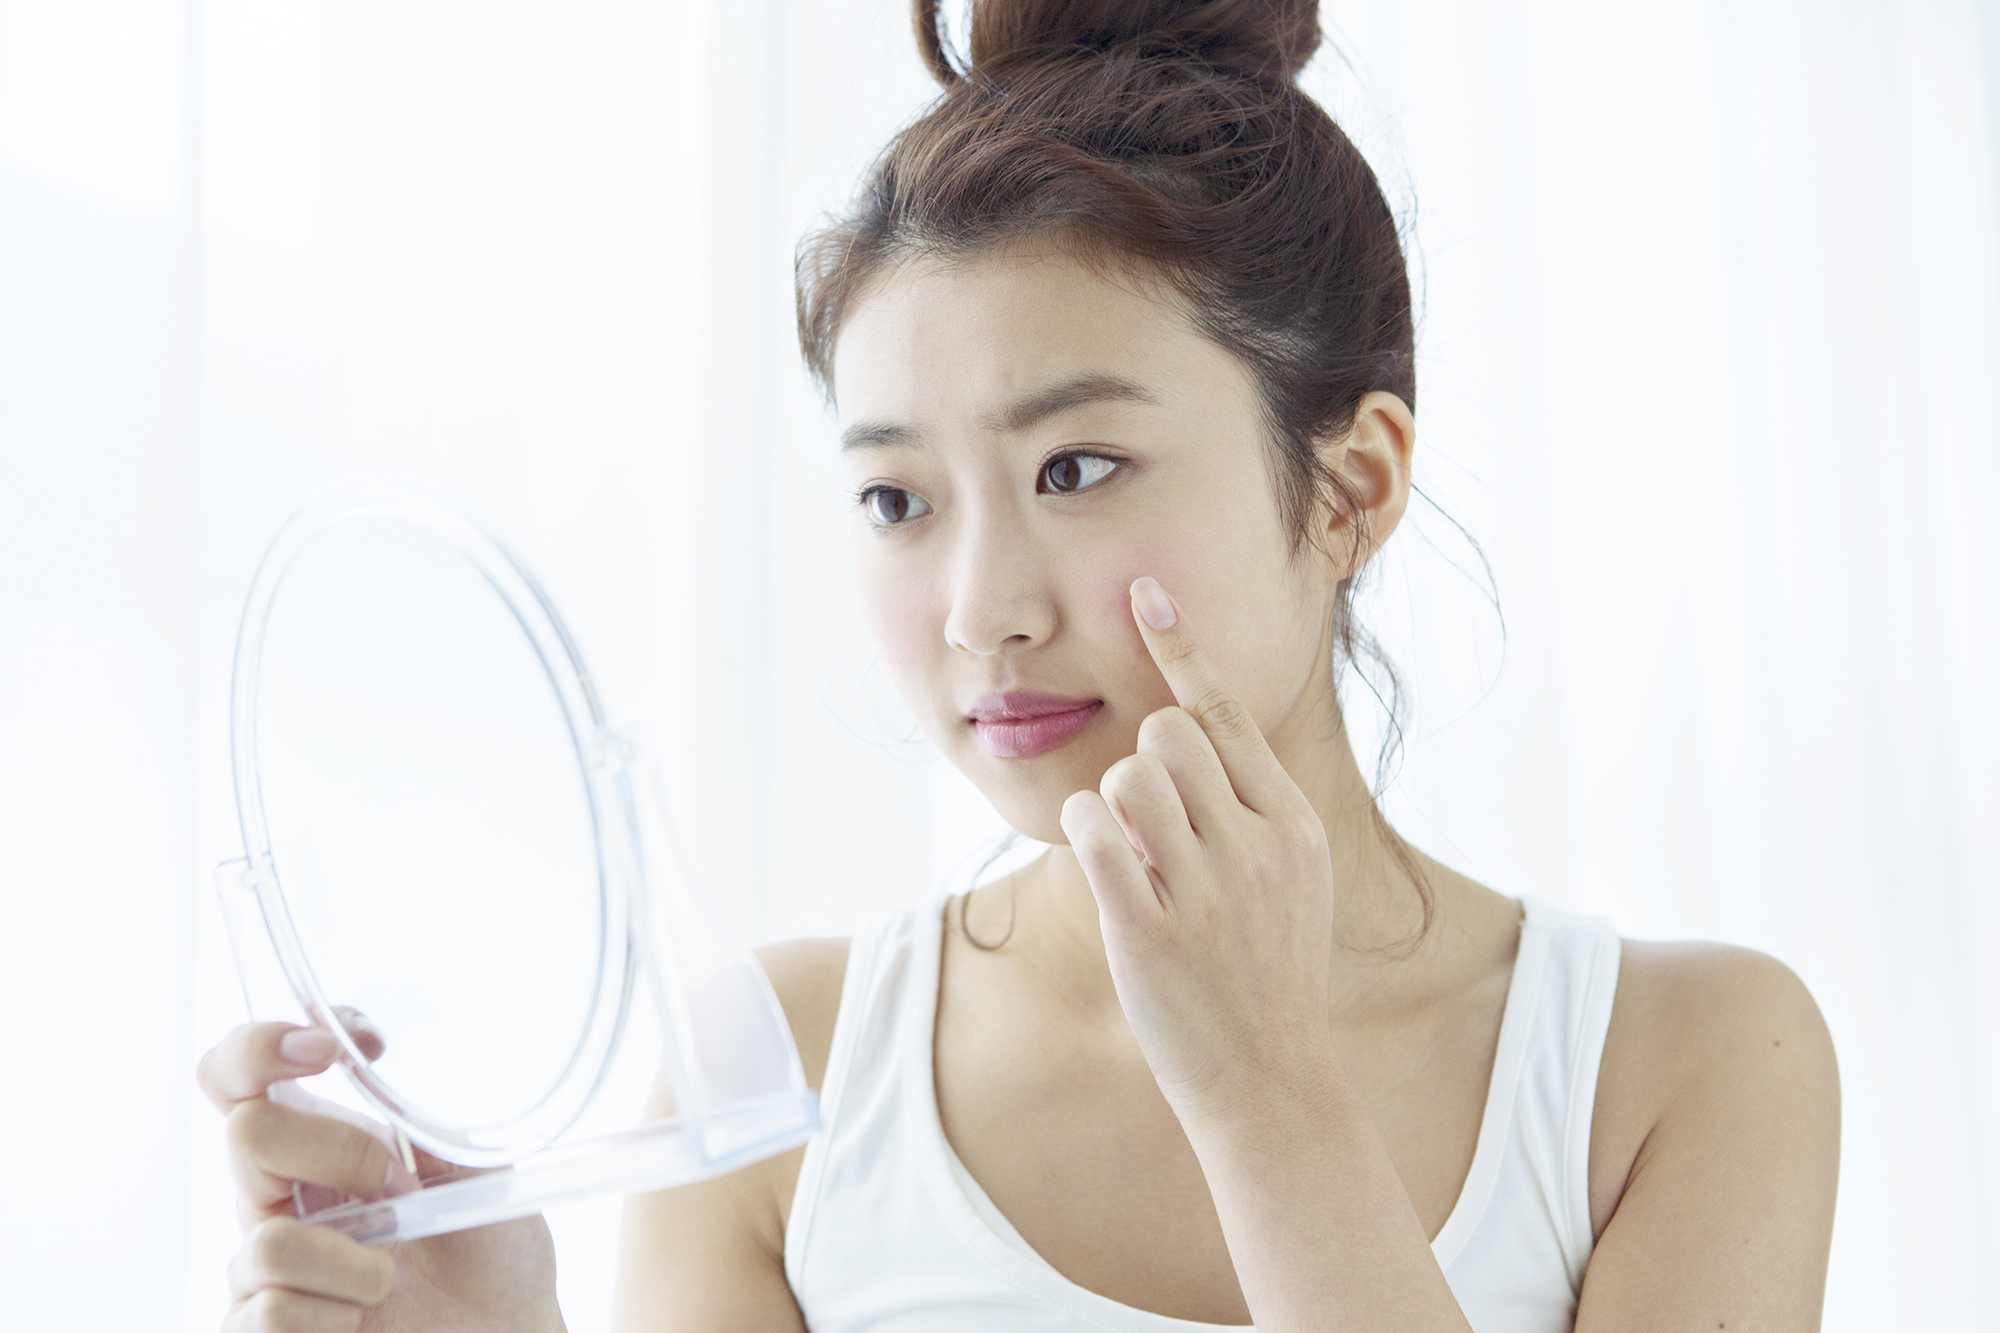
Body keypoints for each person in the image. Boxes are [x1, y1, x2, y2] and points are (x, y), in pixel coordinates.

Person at [197, 2, 1841, 1328]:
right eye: (897, 498)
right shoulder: (790, 1070)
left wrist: (1266, 1100)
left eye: (1074, 469)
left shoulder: (1685, 1064)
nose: (981, 606)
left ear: (1351, 485)